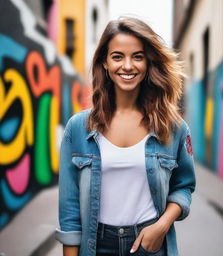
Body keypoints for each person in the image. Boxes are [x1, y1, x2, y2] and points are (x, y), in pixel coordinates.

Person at [55, 17, 196, 256]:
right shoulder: (78, 128)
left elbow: (184, 186)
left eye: (138, 56)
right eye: (117, 56)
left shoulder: (173, 127)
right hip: (96, 245)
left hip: (150, 244)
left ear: (148, 63)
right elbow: (69, 211)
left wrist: (161, 227)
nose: (128, 66)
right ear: (105, 63)